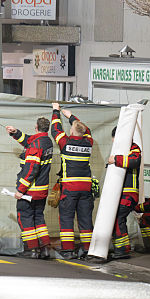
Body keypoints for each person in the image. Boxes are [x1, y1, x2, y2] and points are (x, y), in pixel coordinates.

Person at [6, 117, 55, 258]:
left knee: (25, 217)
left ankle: (31, 250)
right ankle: (45, 249)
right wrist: (15, 132)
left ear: (36, 127)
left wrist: (20, 190)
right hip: (42, 190)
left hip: (30, 191)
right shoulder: (46, 141)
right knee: (38, 218)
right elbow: (28, 139)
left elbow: (31, 170)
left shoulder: (36, 145)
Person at [51, 102, 94, 259]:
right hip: (86, 188)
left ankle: (68, 251)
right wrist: (71, 117)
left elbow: (55, 129)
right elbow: (87, 130)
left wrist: (56, 111)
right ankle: (88, 250)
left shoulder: (65, 143)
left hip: (70, 188)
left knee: (67, 218)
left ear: (71, 131)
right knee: (85, 220)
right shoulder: (89, 142)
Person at [109, 126, 142, 259]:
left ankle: (122, 250)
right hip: (123, 193)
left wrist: (115, 160)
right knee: (117, 219)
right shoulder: (123, 150)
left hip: (129, 193)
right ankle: (120, 248)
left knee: (118, 218)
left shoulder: (134, 148)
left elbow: (134, 161)